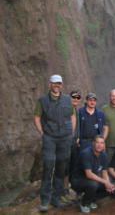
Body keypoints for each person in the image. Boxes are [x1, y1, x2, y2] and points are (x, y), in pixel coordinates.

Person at [34, 75, 76, 212]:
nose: (57, 85)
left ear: (61, 84)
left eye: (59, 83)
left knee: (61, 167)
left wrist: (71, 132)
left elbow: (72, 115)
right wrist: (42, 132)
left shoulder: (66, 100)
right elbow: (37, 117)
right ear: (50, 83)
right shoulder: (42, 100)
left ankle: (56, 197)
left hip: (65, 137)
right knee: (48, 165)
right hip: (50, 137)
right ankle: (44, 199)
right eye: (54, 83)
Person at [70, 135, 115, 213]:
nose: (99, 145)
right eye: (97, 142)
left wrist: (108, 183)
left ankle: (90, 200)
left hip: (91, 180)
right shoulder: (86, 153)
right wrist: (105, 182)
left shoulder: (103, 155)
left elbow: (104, 172)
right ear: (93, 143)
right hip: (77, 181)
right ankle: (84, 203)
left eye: (102, 143)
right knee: (94, 184)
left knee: (111, 188)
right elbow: (89, 174)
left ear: (104, 144)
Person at [62, 90, 82, 205]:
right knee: (65, 167)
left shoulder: (79, 111)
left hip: (76, 143)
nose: (75, 99)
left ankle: (73, 190)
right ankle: (64, 190)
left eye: (77, 97)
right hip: (66, 142)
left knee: (74, 167)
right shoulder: (66, 110)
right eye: (73, 97)